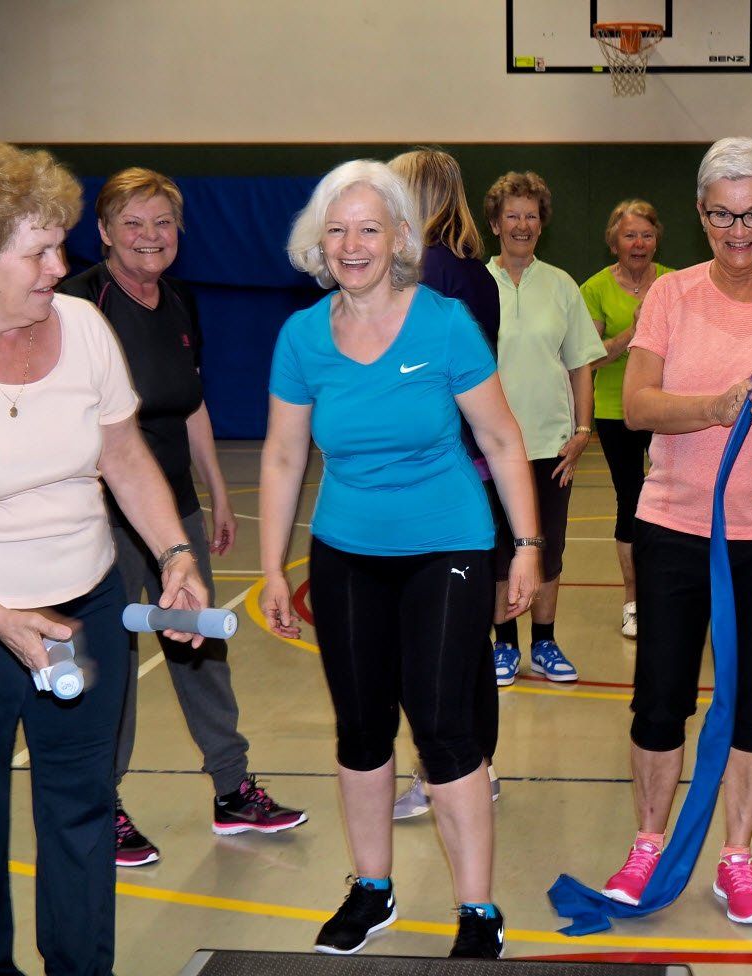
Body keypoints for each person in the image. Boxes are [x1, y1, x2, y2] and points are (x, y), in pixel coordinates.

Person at [0, 143, 208, 975]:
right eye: (39, 251)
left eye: (60, 245)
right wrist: (0, 620)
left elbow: (126, 457)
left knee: (80, 808)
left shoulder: (87, 328)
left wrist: (175, 551)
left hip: (83, 611)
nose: (59, 267)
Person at [259, 159, 540, 959]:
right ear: (319, 243)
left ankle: (477, 908)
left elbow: (500, 436)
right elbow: (282, 458)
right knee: (360, 725)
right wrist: (274, 566)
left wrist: (525, 545)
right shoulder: (302, 336)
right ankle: (372, 887)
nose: (351, 245)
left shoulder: (445, 322)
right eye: (337, 230)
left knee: (446, 726)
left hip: (447, 544)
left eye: (368, 229)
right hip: (346, 550)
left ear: (399, 240)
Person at [602, 137, 752, 925]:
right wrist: (713, 406)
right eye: (719, 216)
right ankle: (648, 842)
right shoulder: (670, 295)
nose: (737, 232)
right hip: (674, 522)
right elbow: (637, 406)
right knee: (659, 697)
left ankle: (735, 855)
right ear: (699, 214)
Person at [61, 168, 304, 867]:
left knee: (199, 650)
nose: (149, 237)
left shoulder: (179, 300)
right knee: (108, 659)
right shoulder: (79, 304)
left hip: (174, 514)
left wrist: (217, 493)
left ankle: (232, 792)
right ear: (103, 233)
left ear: (180, 232)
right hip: (98, 516)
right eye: (132, 223)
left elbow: (191, 402)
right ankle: (98, 804)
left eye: (162, 223)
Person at [386, 148, 505, 822]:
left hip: (426, 480)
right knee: (462, 641)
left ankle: (440, 772)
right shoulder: (477, 275)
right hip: (468, 474)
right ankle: (473, 768)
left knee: (425, 644)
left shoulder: (425, 274)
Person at [485, 171, 607, 683]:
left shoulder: (561, 286)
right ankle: (504, 645)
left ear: (543, 224)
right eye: (512, 215)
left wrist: (581, 432)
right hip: (489, 447)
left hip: (550, 446)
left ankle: (545, 643)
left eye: (531, 216)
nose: (522, 224)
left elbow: (581, 364)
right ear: (494, 223)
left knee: (547, 549)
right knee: (497, 549)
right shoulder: (474, 282)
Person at [581, 199, 674, 639]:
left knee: (673, 499)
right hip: (615, 411)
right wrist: (634, 332)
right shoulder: (595, 289)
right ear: (613, 242)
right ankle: (633, 598)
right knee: (631, 499)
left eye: (646, 235)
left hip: (665, 408)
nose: (639, 244)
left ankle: (668, 591)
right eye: (629, 236)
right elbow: (589, 360)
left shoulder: (677, 283)